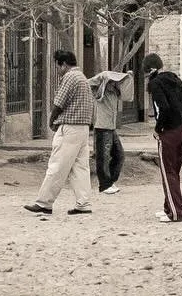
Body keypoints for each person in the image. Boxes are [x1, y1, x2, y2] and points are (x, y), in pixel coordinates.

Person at [24, 50, 95, 216]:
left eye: (58, 65)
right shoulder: (82, 77)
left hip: (70, 127)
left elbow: (59, 102)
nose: (58, 69)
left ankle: (44, 203)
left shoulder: (70, 77)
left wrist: (51, 120)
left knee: (57, 165)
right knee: (80, 167)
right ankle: (83, 203)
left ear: (63, 64)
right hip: (83, 128)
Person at [145, 53, 182, 223]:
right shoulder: (175, 78)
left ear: (151, 70)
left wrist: (158, 129)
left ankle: (177, 212)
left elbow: (163, 108)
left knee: (168, 172)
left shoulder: (155, 83)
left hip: (168, 133)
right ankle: (169, 207)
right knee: (174, 171)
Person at [88, 70, 130, 195]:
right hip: (102, 127)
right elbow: (88, 83)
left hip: (111, 128)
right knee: (103, 157)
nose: (115, 84)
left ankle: (110, 181)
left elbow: (128, 92)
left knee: (119, 155)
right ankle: (105, 184)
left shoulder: (115, 93)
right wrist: (102, 76)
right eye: (112, 82)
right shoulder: (100, 91)